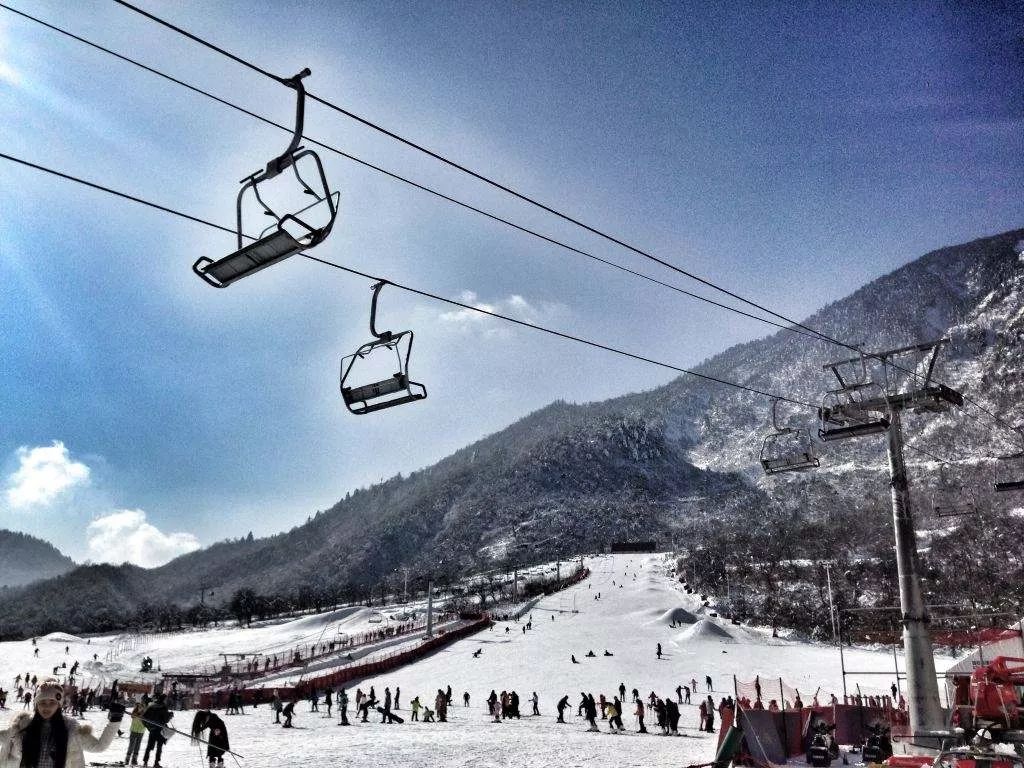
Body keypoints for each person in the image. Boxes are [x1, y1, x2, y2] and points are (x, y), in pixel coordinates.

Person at [0, 679, 121, 768]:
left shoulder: (72, 730)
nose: (46, 707)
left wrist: (115, 720)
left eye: (52, 702)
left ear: (59, 704)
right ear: (36, 704)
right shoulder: (22, 726)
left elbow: (99, 746)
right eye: (42, 702)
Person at [142, 693, 172, 767]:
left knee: (149, 746)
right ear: (163, 699)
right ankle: (156, 763)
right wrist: (170, 715)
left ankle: (145, 762)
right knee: (159, 747)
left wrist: (148, 727)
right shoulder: (163, 707)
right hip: (160, 730)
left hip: (152, 729)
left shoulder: (151, 706)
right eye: (166, 699)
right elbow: (165, 720)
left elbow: (144, 718)